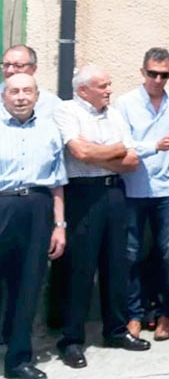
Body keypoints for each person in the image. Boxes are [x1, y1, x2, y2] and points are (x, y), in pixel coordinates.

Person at [55, 64, 149, 367]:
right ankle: (71, 339)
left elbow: (132, 159)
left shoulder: (115, 114)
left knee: (116, 264)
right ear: (84, 90)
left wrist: (105, 152)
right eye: (103, 85)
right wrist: (114, 150)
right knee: (79, 268)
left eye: (109, 84)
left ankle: (116, 330)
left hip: (114, 193)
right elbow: (78, 154)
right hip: (82, 194)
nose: (109, 90)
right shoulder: (67, 111)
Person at [113, 47, 169, 341]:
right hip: (133, 188)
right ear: (142, 72)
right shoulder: (125, 103)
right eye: (153, 73)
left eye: (164, 74)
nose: (158, 80)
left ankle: (165, 315)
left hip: (167, 189)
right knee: (132, 254)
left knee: (167, 254)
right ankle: (134, 314)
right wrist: (154, 146)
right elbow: (122, 144)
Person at [0, 74, 67, 379]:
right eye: (14, 91)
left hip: (38, 209)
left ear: (37, 96)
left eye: (27, 91)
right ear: (4, 96)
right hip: (3, 205)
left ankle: (18, 361)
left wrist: (59, 225)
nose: (21, 97)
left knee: (28, 287)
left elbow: (57, 185)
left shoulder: (49, 130)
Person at [0, 45, 61, 119]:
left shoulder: (52, 105)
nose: (10, 70)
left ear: (33, 69)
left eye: (18, 65)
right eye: (6, 65)